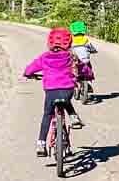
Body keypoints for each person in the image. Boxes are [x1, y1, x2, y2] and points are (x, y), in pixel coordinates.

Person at [22, 27, 83, 157]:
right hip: (67, 90)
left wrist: (28, 74)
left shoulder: (45, 57)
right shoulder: (71, 56)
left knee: (47, 115)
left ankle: (41, 144)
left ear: (50, 42)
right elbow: (83, 69)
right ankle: (73, 116)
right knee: (65, 99)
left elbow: (30, 69)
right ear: (69, 42)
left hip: (51, 91)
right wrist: (84, 76)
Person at [69, 20, 97, 88]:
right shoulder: (85, 40)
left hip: (75, 61)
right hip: (85, 61)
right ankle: (88, 80)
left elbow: (68, 48)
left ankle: (71, 81)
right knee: (89, 67)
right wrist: (93, 51)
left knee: (70, 68)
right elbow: (91, 47)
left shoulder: (71, 40)